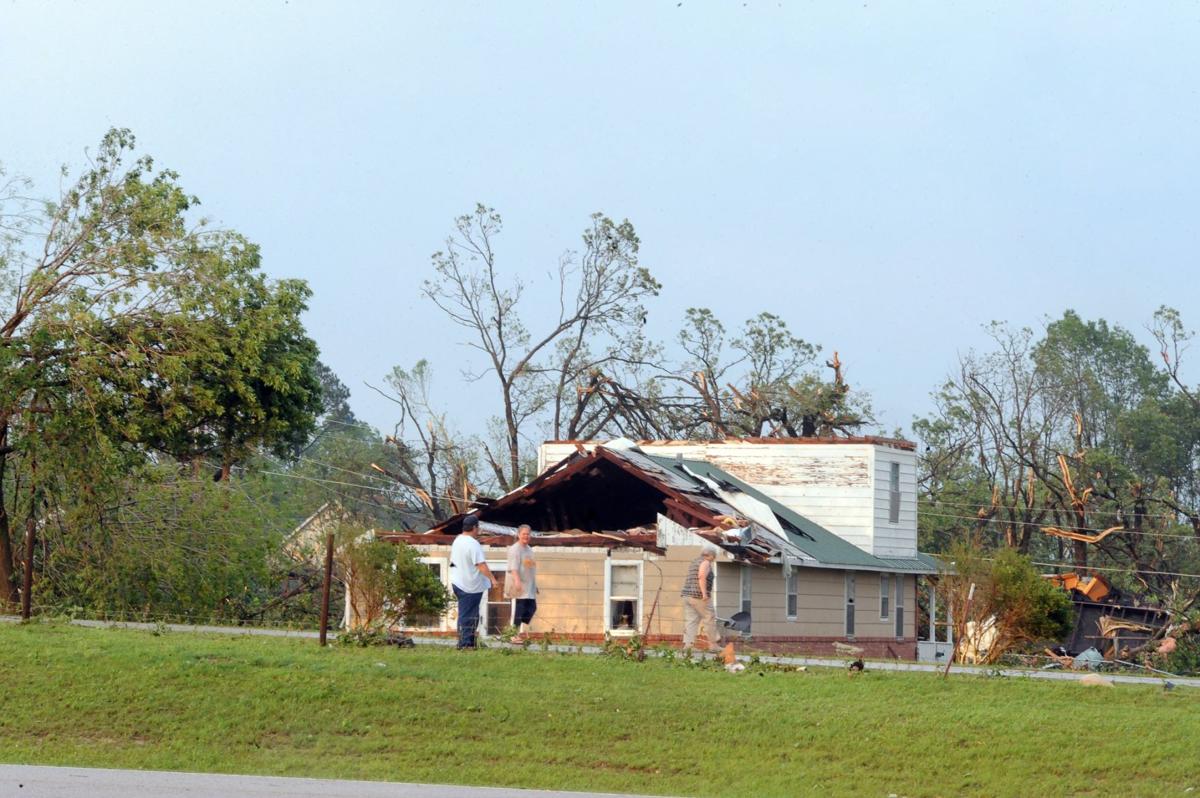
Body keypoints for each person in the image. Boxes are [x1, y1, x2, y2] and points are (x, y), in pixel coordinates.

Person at [450, 514, 496, 649]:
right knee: (468, 615)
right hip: (469, 585)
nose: (479, 530)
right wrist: (493, 579)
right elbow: (480, 565)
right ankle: (465, 644)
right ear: (474, 528)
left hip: (458, 582)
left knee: (470, 614)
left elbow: (454, 563)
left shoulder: (458, 540)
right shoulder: (472, 544)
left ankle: (469, 642)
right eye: (478, 527)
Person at [681, 543, 722, 653]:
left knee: (691, 620)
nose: (714, 559)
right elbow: (701, 576)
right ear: (711, 555)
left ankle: (688, 645)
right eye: (714, 556)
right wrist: (704, 594)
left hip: (687, 595)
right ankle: (713, 645)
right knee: (709, 618)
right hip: (698, 596)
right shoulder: (706, 562)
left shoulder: (695, 561)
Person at [505, 524, 538, 643]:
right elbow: (513, 568)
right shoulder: (515, 549)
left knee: (532, 608)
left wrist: (535, 585)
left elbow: (530, 568)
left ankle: (516, 630)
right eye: (524, 534)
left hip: (529, 586)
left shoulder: (529, 549)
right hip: (518, 586)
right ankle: (513, 634)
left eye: (528, 534)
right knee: (518, 612)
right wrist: (517, 582)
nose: (526, 536)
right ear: (519, 535)